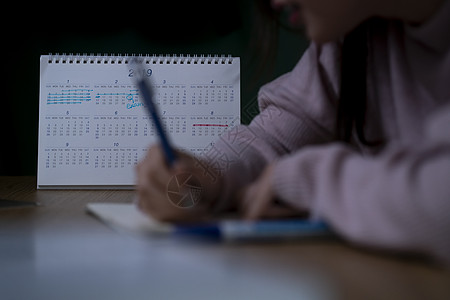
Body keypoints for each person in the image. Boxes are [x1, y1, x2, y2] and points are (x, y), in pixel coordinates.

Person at [136, 0, 450, 265]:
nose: (276, 2)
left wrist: (308, 181)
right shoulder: (358, 34)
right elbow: (277, 135)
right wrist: (209, 177)